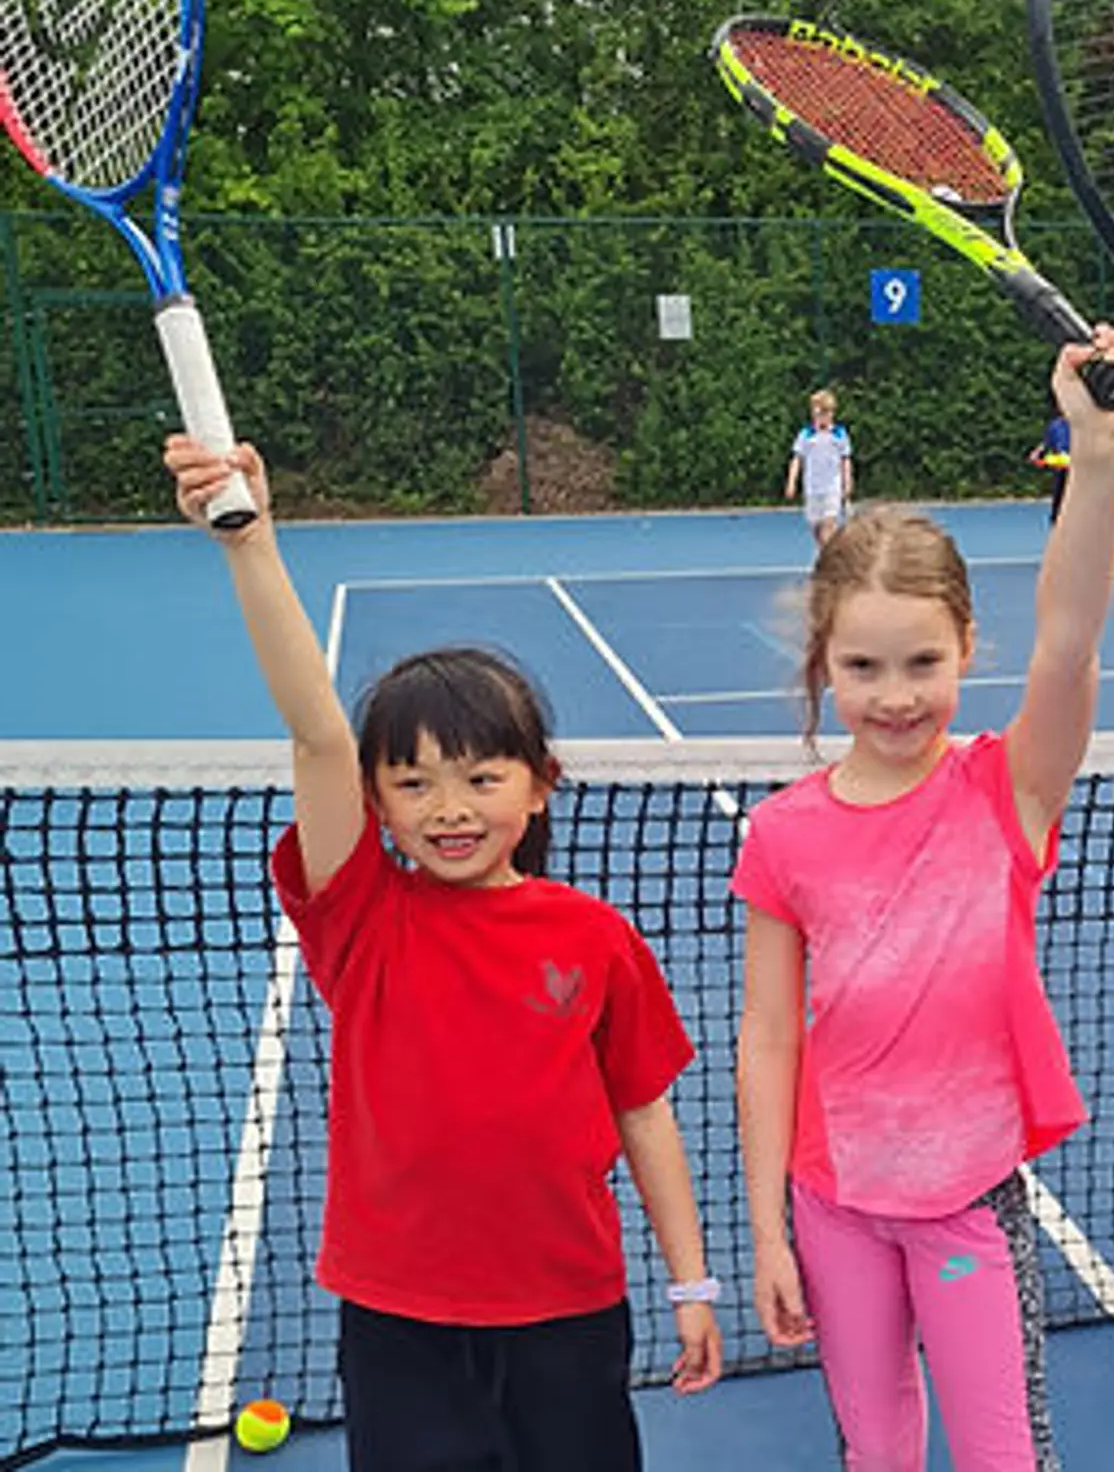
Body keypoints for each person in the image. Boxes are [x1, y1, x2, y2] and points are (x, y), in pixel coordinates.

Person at [163, 436, 723, 1471]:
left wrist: (690, 1283)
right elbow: (321, 737)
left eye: (479, 778)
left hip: (568, 1307)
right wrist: (251, 545)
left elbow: (643, 1110)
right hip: (400, 1320)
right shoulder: (362, 917)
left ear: (539, 782)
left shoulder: (595, 940)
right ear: (376, 802)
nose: (449, 808)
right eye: (412, 784)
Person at [734, 327, 1114, 1471]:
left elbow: (1069, 642)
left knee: (1004, 1458)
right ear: (824, 665)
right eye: (862, 668)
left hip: (966, 1206)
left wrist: (1098, 453)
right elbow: (767, 1034)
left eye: (922, 662)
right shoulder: (782, 835)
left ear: (966, 647)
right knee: (875, 1453)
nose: (895, 694)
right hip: (830, 1205)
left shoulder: (1003, 789)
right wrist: (765, 1223)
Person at [787, 387, 854, 548]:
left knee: (828, 528)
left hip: (832, 488)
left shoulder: (839, 434)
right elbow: (797, 459)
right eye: (818, 412)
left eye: (826, 412)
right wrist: (791, 482)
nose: (822, 416)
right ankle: (829, 555)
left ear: (831, 413)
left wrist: (847, 482)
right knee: (817, 530)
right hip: (812, 489)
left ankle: (831, 563)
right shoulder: (805, 434)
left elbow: (845, 460)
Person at [1026, 411, 1071, 525]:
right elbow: (1047, 442)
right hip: (1060, 462)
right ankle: (1056, 518)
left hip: (1074, 461)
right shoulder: (1055, 425)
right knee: (1059, 489)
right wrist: (1036, 453)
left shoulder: (1078, 425)